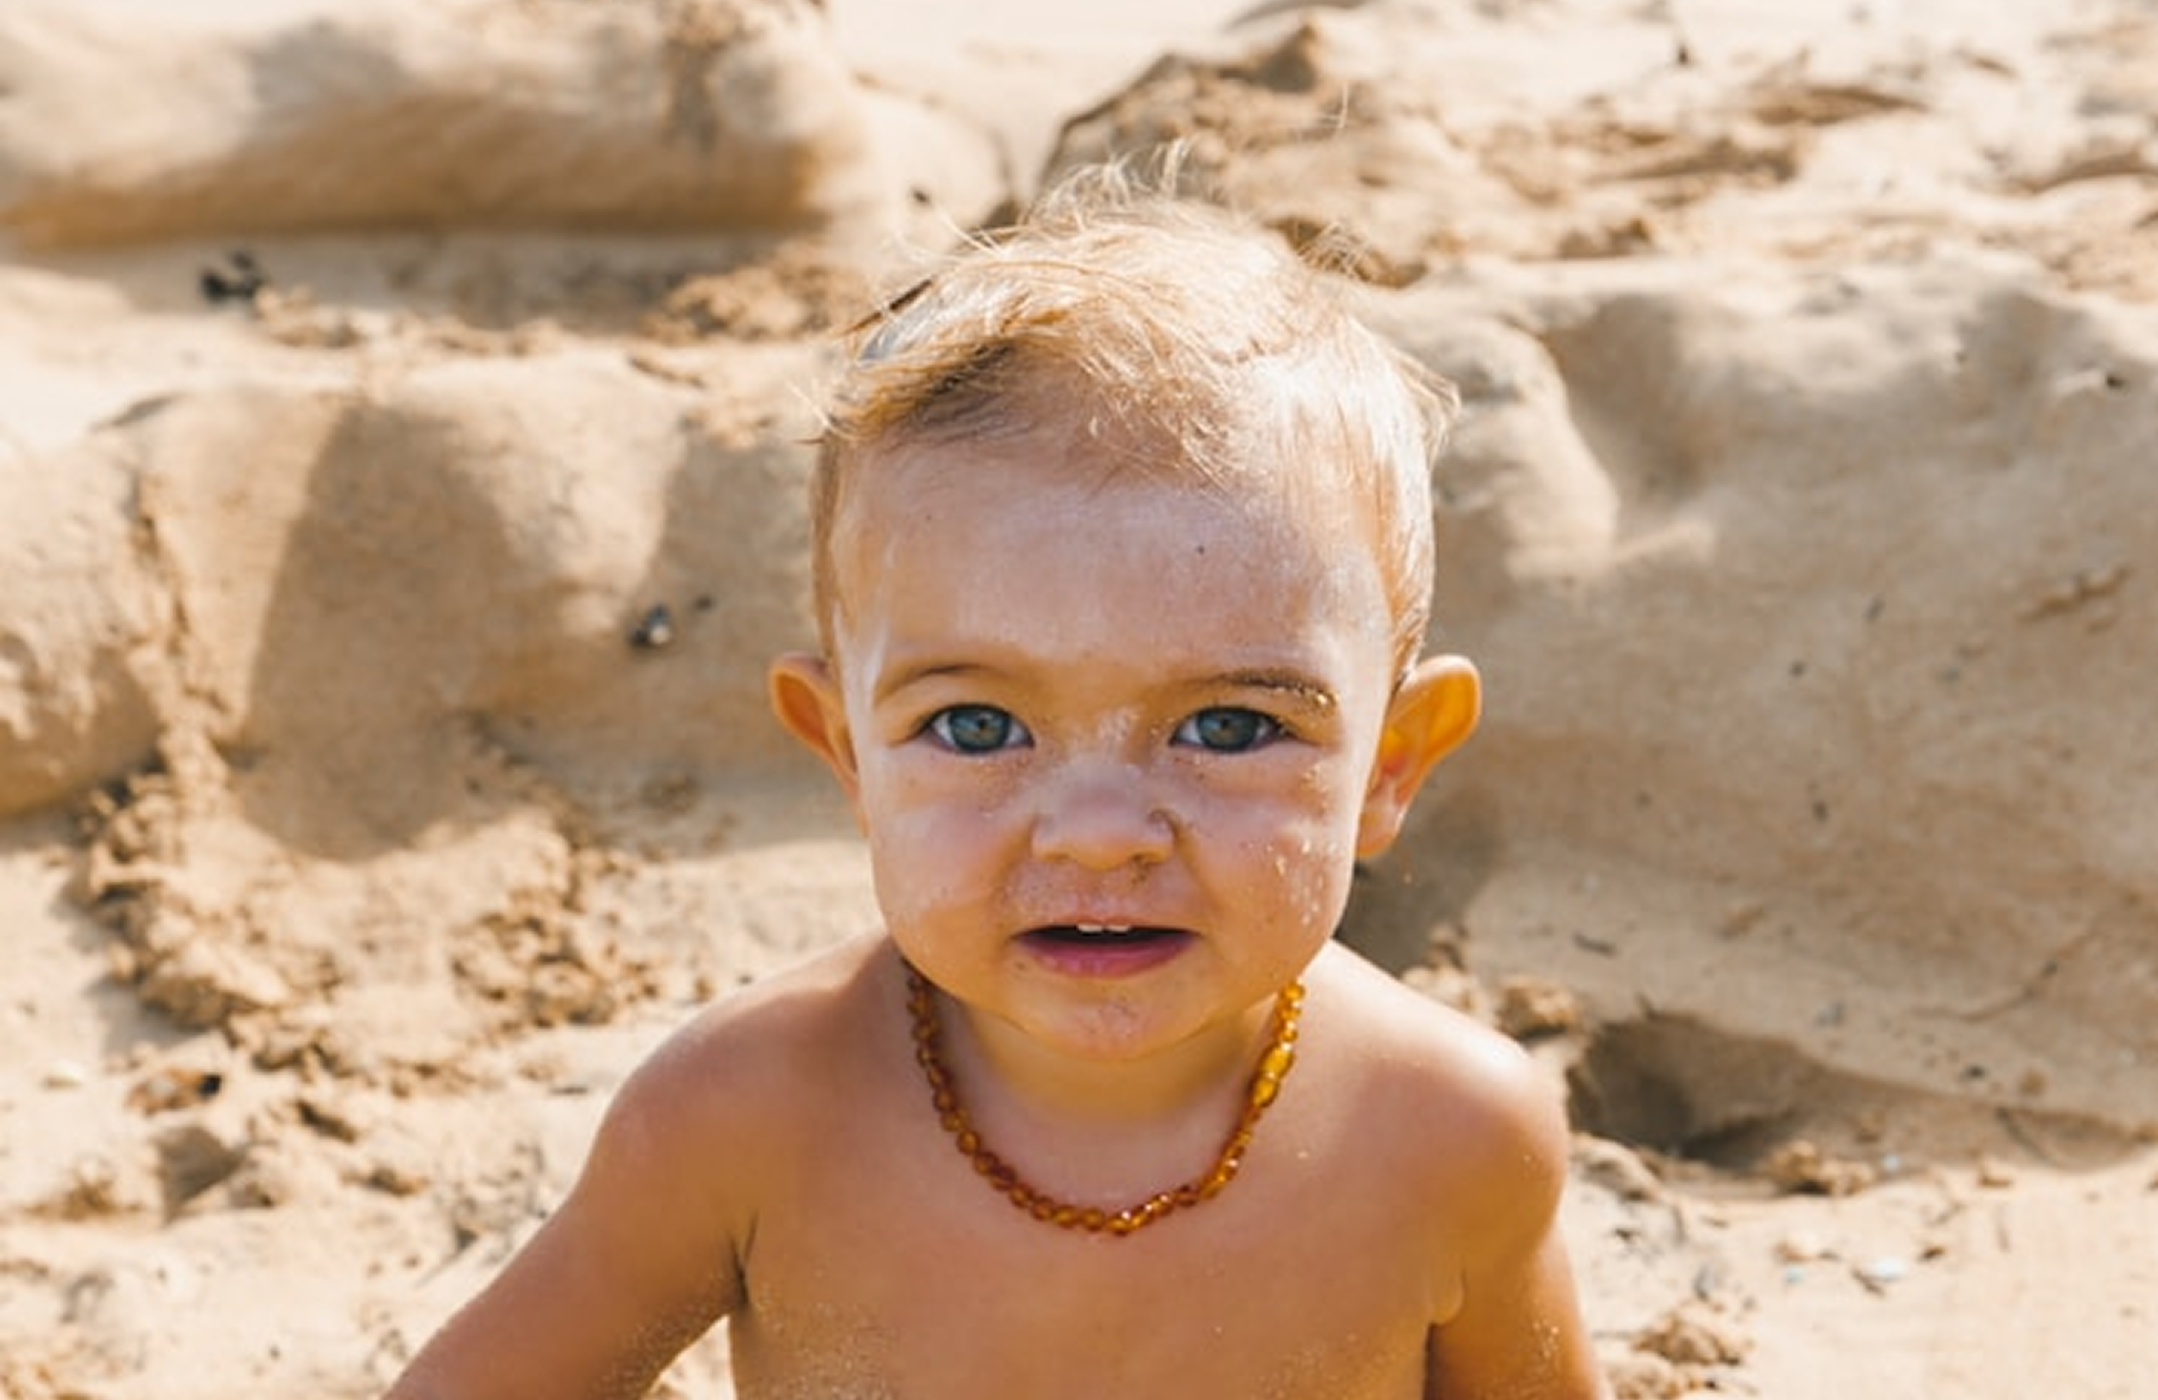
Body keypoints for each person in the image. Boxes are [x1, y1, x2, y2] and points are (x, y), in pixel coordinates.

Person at [387, 160, 1607, 1400]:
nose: (1097, 835)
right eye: (976, 725)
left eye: (1229, 726)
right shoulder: (745, 1117)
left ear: (1390, 761)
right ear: (848, 752)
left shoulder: (1450, 1133)